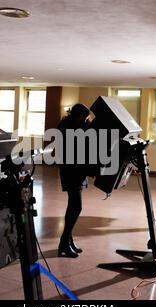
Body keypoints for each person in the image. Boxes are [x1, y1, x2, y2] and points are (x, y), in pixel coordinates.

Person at [57, 103, 91, 258]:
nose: (86, 121)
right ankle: (64, 242)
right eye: (85, 118)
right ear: (78, 116)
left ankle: (68, 240)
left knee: (73, 206)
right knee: (76, 207)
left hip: (78, 170)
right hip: (71, 170)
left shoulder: (74, 125)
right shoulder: (66, 127)